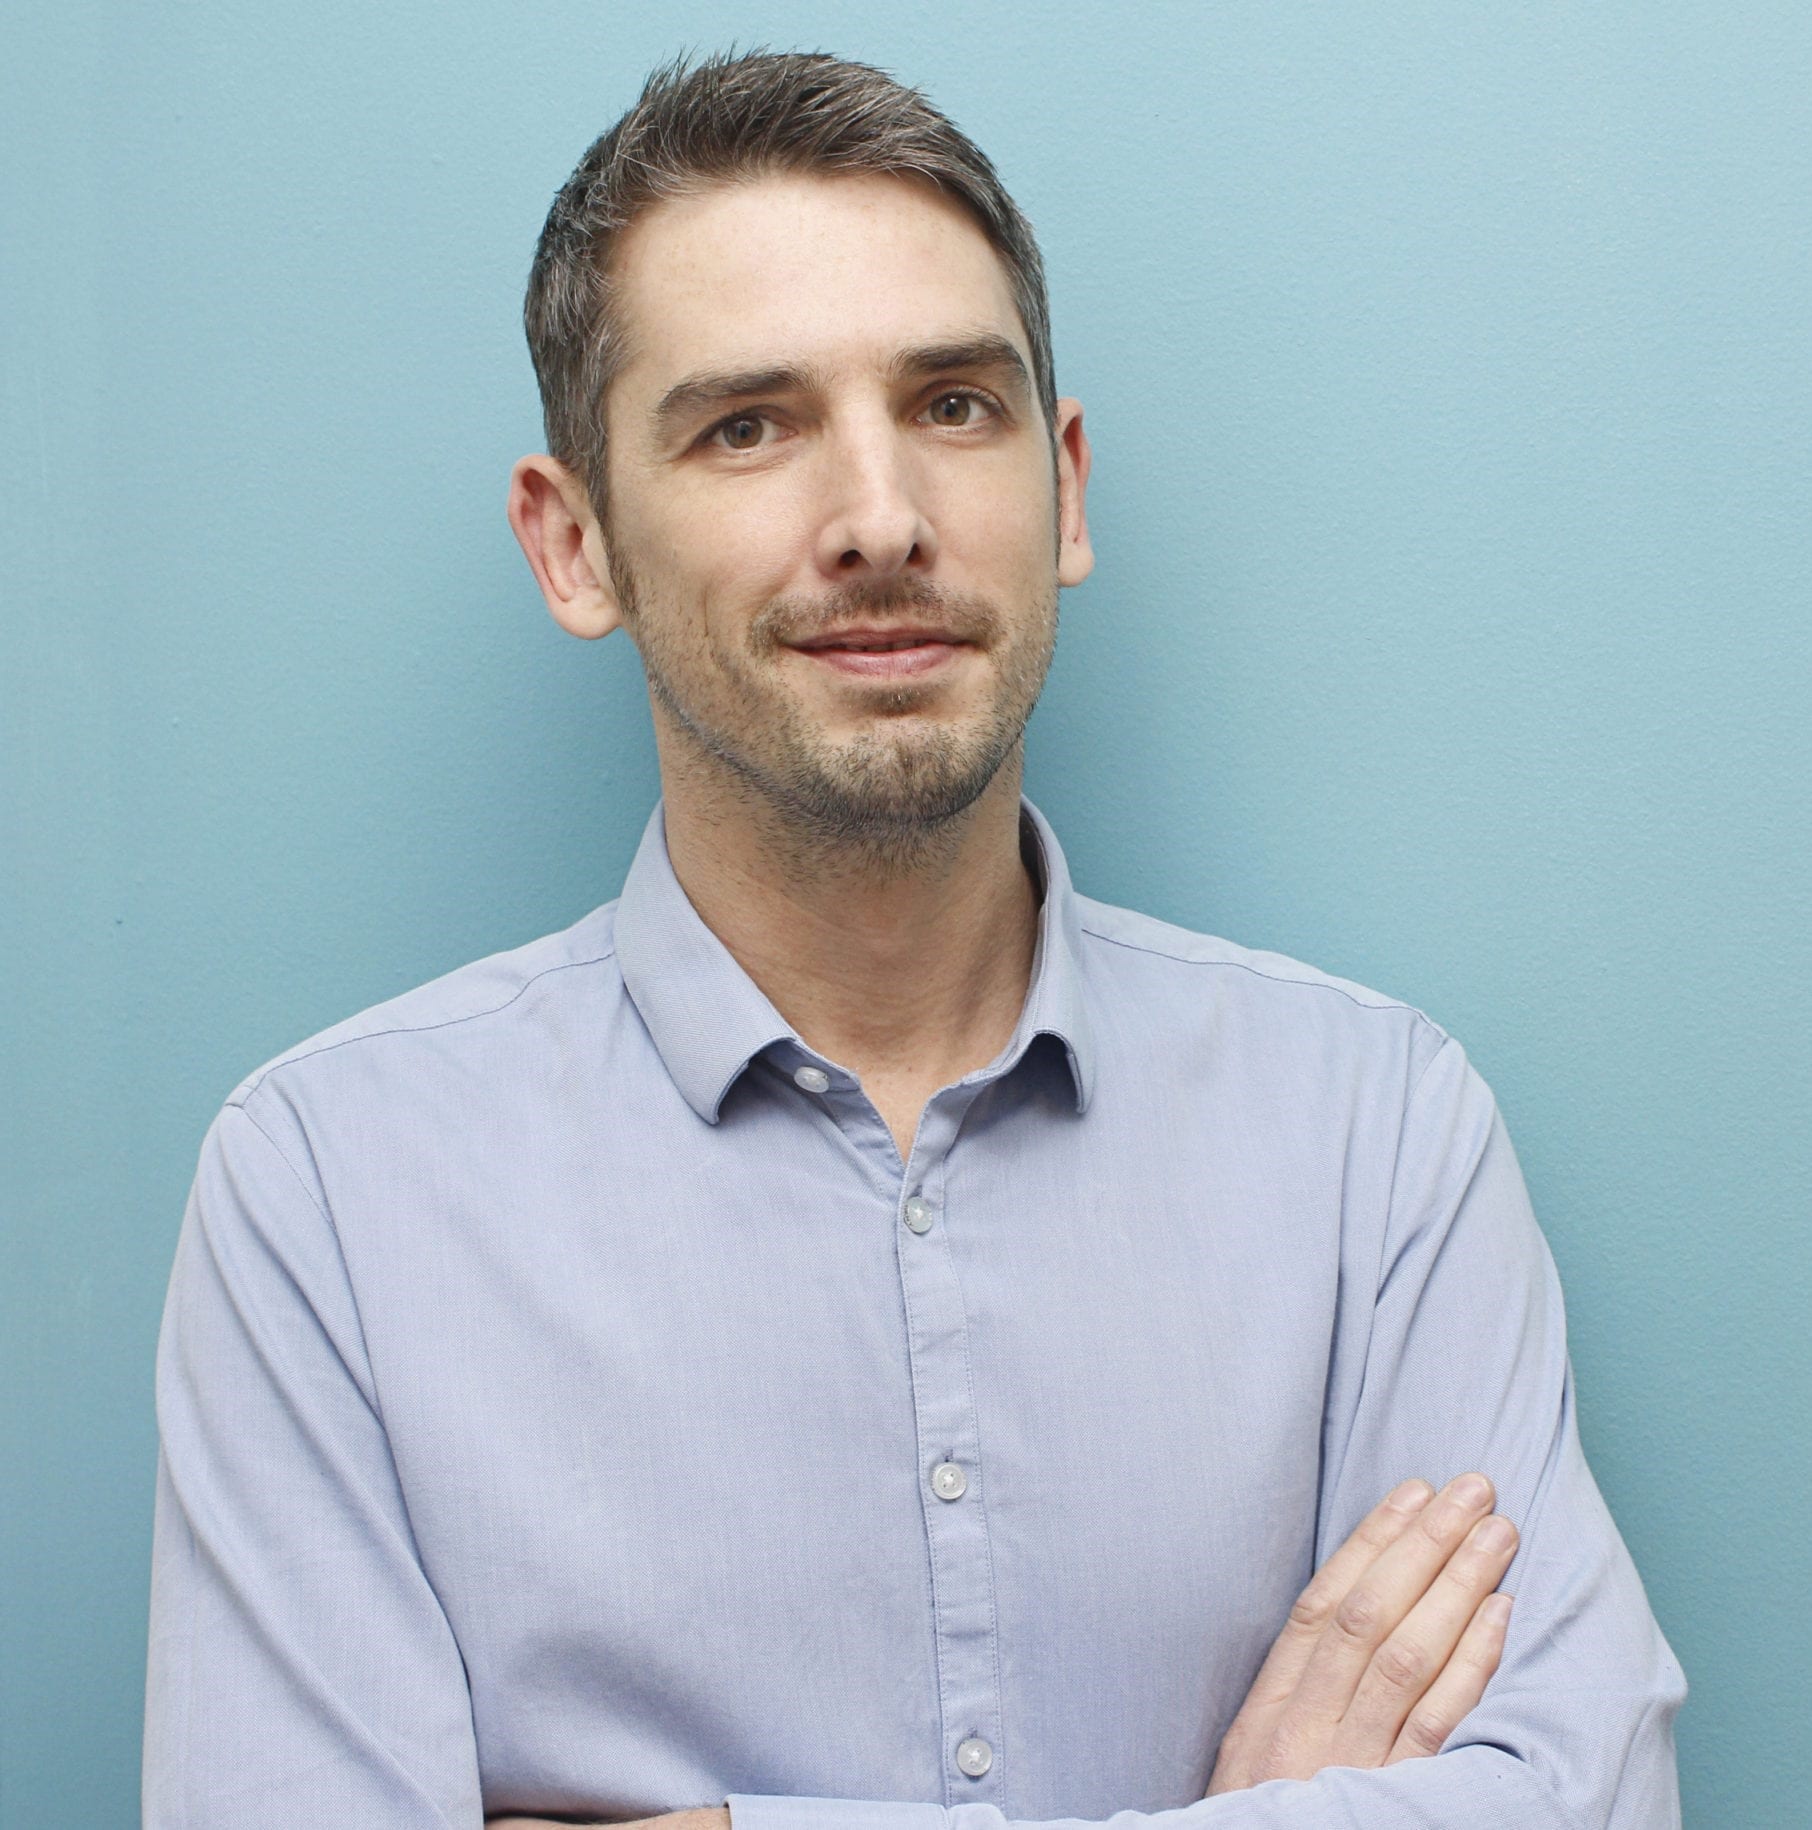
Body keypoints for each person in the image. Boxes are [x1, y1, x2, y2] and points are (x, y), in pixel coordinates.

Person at [143, 50, 1684, 1830]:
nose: (881, 517)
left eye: (955, 405)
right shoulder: (327, 1195)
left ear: (1068, 487)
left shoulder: (1378, 1137)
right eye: (749, 424)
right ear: (577, 547)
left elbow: (1595, 1803)